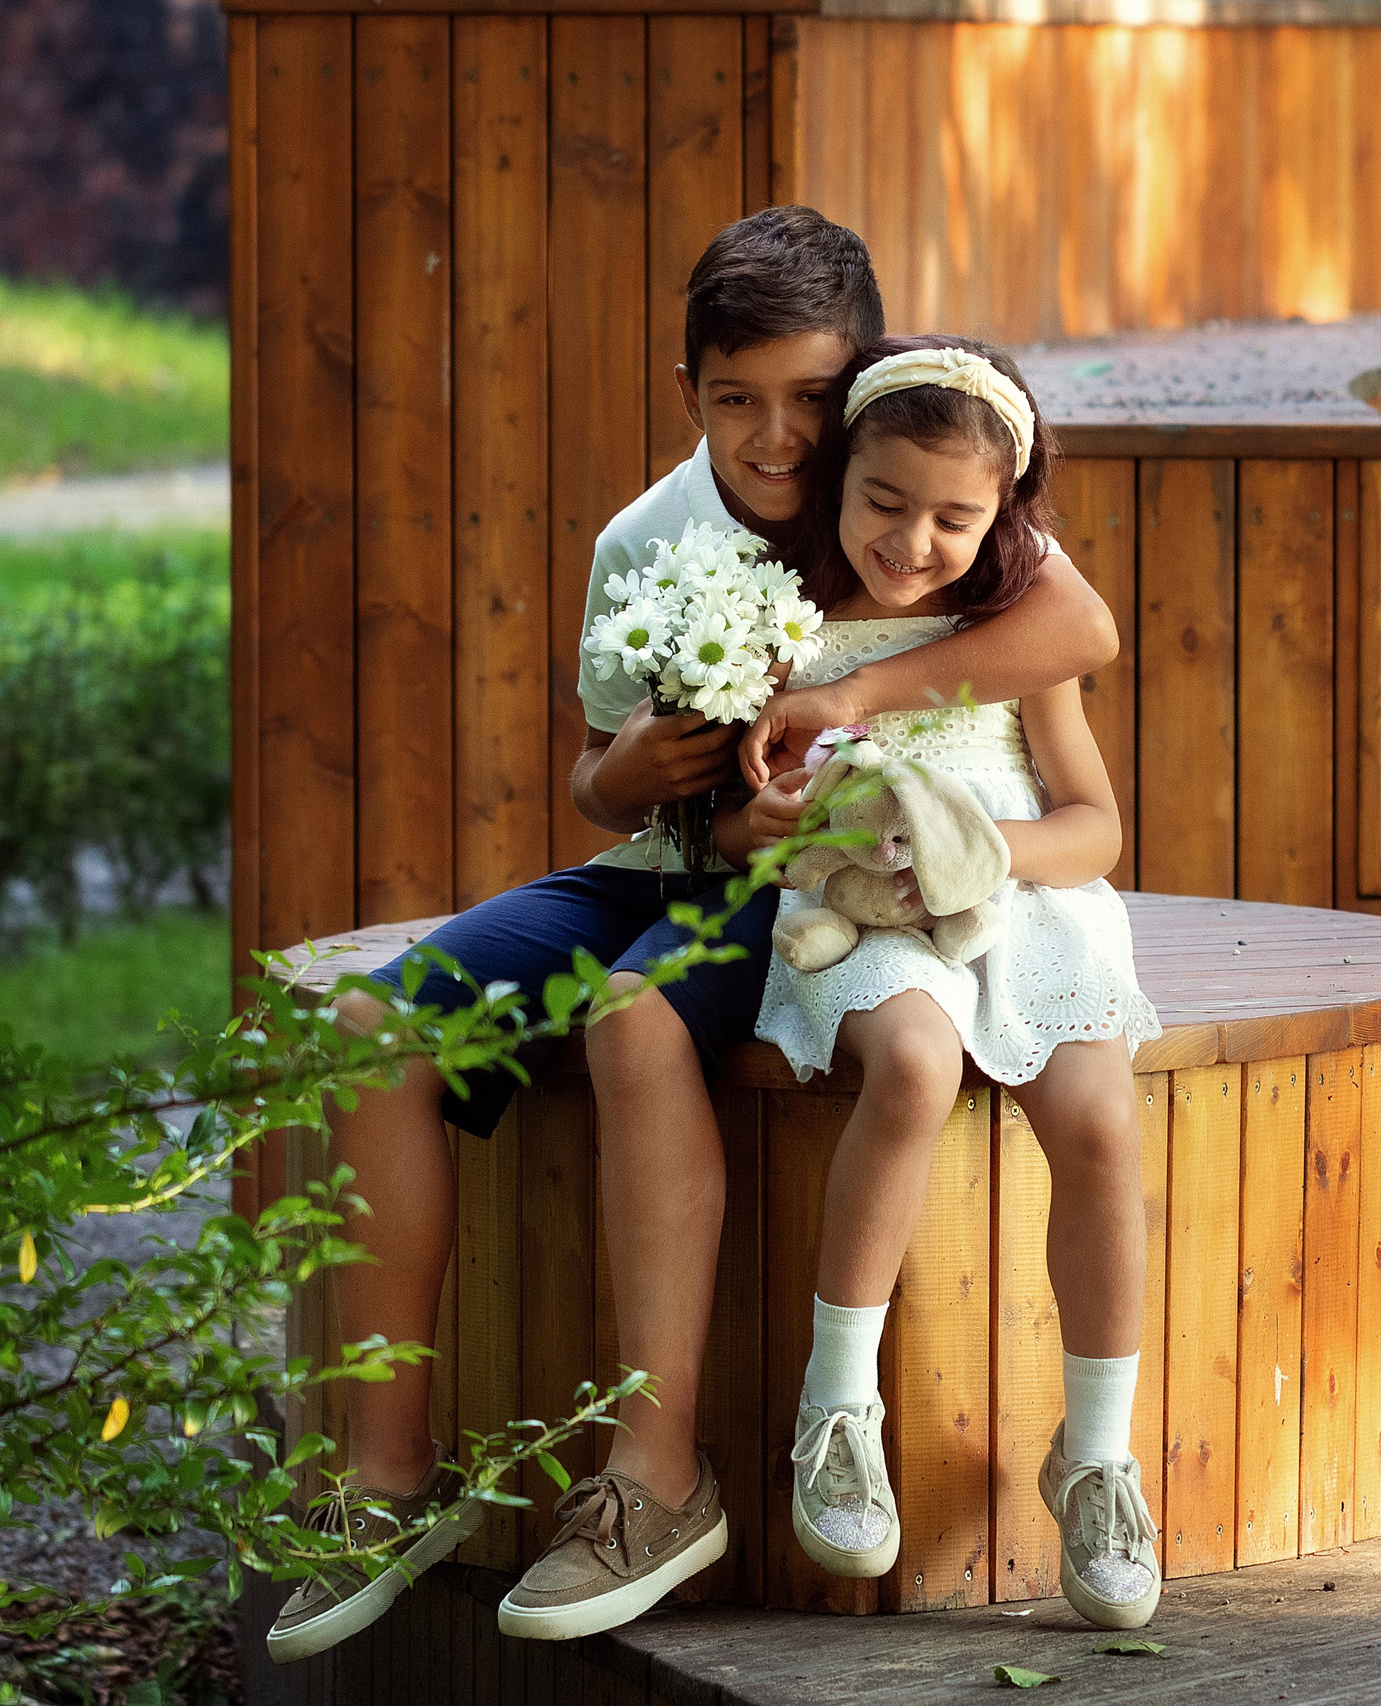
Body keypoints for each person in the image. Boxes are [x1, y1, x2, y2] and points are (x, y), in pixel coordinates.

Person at [265, 211, 1121, 1662]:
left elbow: (1075, 628)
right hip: (666, 860)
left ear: (867, 381)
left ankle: (658, 1473)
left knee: (637, 1016)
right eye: (739, 399)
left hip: (797, 888)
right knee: (367, 1026)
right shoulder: (649, 538)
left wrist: (848, 709)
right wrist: (629, 776)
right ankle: (387, 1474)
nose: (779, 437)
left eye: (811, 397)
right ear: (689, 393)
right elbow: (599, 776)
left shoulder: (904, 505)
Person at [738, 336, 1164, 1630]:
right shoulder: (790, 626)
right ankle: (838, 1405)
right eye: (884, 501)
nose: (913, 542)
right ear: (838, 478)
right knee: (916, 1066)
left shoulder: (1013, 631)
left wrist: (984, 855)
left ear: (1001, 516)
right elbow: (744, 817)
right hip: (854, 905)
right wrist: (799, 824)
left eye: (953, 519)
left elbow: (1095, 825)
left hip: (1020, 899)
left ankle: (1097, 1454)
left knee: (1101, 1120)